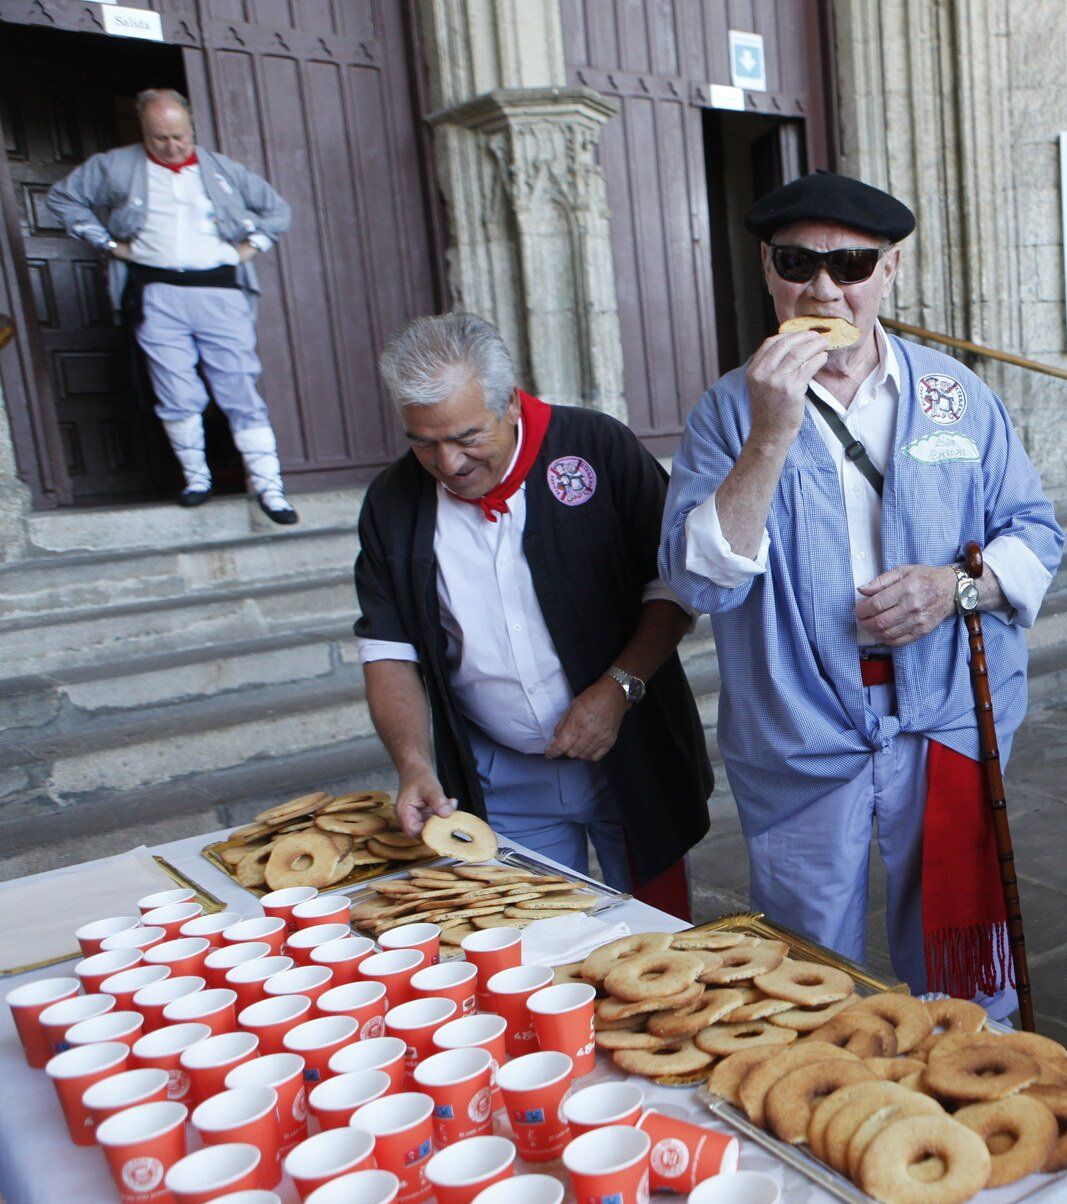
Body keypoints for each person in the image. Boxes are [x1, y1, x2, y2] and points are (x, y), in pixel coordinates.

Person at [659, 172, 1063, 1009]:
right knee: (810, 969)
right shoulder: (729, 411)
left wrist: (956, 587)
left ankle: (962, 1102)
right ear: (768, 272)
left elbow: (1036, 532)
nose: (823, 286)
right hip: (802, 728)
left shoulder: (955, 397)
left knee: (962, 958)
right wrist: (772, 431)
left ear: (890, 272)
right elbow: (697, 579)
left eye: (851, 263)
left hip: (943, 715)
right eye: (796, 261)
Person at [353, 313, 712, 914]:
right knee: (535, 937)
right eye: (423, 441)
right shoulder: (393, 502)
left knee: (659, 934)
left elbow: (675, 584)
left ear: (512, 405)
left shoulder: (599, 448)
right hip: (501, 773)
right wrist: (413, 763)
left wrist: (619, 689)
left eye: (467, 436)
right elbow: (390, 650)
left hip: (627, 749)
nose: (448, 463)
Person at [45, 88, 297, 521]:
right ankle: (196, 478)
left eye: (179, 136)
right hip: (156, 291)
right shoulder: (116, 165)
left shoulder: (222, 169)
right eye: (160, 137)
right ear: (144, 131)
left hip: (219, 291)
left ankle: (271, 489)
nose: (172, 146)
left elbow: (277, 211)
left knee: (239, 385)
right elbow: (62, 198)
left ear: (191, 128)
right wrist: (108, 243)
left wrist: (249, 247)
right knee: (175, 389)